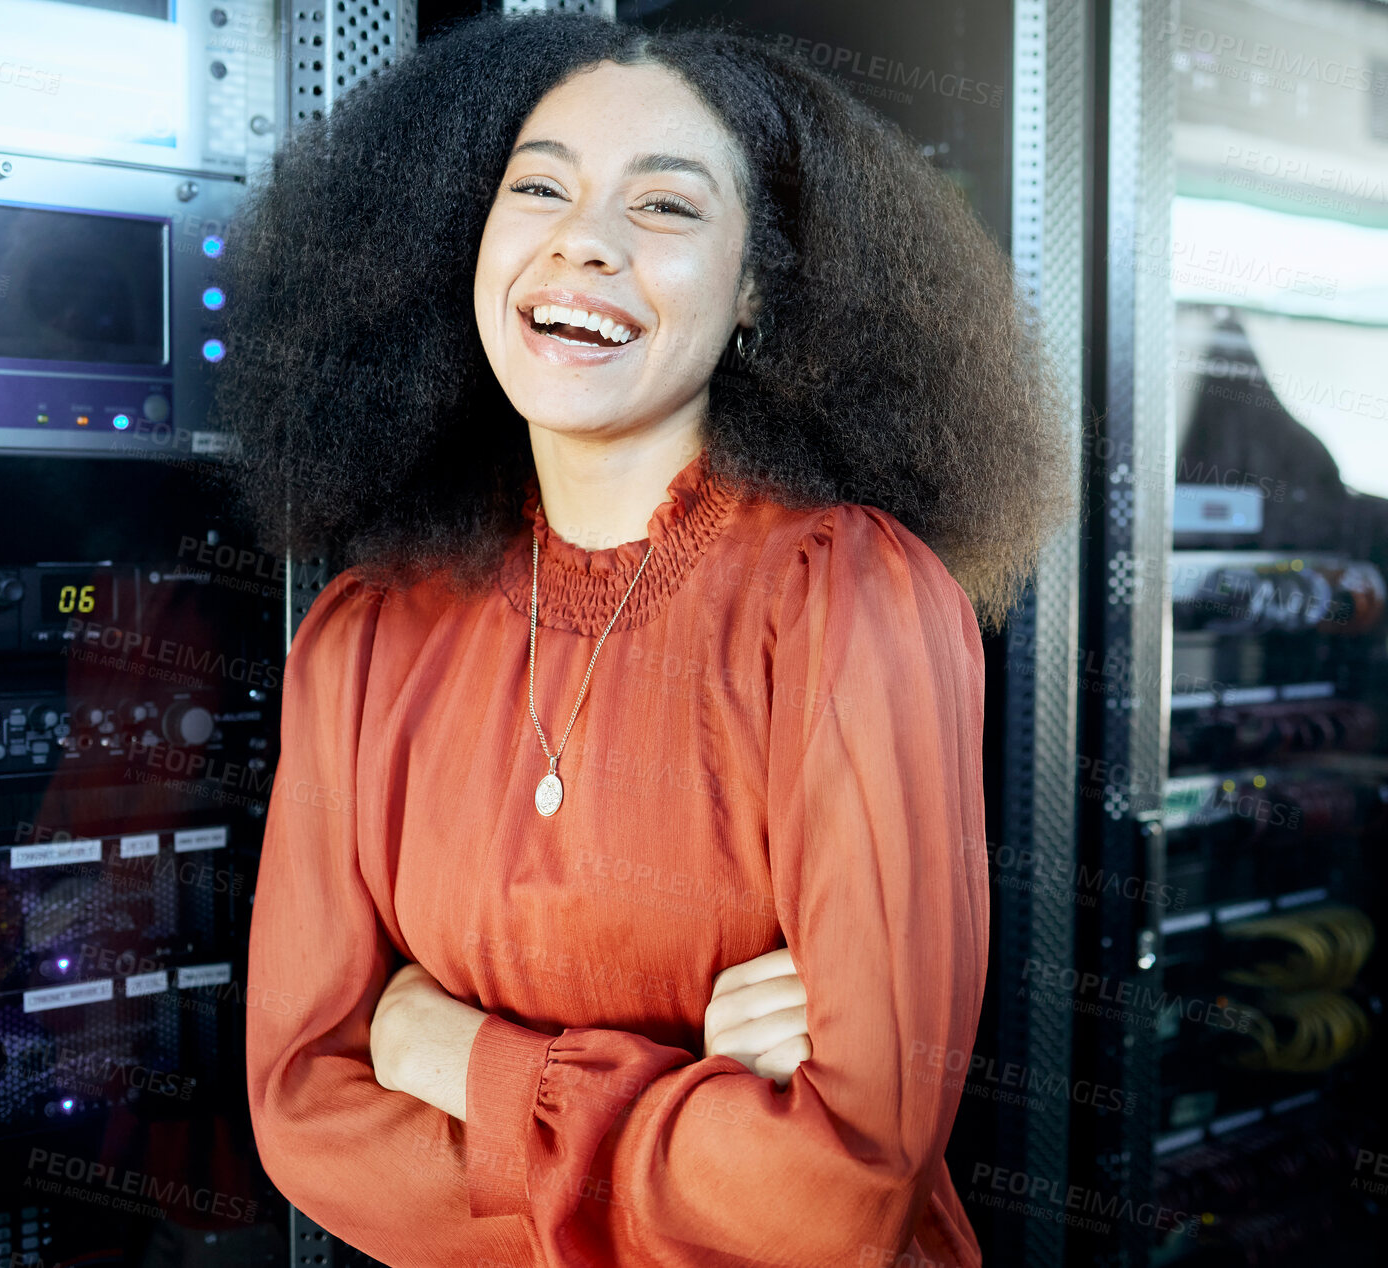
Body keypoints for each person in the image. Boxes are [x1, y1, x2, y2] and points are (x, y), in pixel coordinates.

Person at [215, 10, 1074, 1266]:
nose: (584, 242)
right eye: (540, 188)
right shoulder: (366, 635)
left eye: (665, 209)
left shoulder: (847, 599)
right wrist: (694, 1111)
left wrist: (454, 1057)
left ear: (758, 287)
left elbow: (835, 1195)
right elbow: (307, 1118)